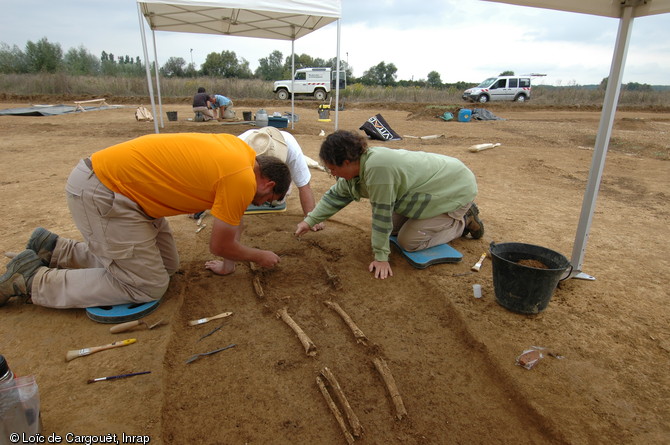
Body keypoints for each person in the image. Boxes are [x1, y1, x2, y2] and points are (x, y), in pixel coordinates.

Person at [0, 133, 290, 309]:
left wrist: (229, 266)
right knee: (146, 286)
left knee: (167, 267)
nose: (262, 204)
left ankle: (52, 248)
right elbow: (219, 244)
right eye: (270, 199)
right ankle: (32, 281)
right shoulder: (240, 179)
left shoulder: (241, 155)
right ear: (268, 183)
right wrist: (259, 256)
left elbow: (232, 222)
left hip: (130, 198)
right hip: (105, 192)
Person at [295, 130, 484, 280]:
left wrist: (381, 258)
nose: (333, 174)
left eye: (333, 169)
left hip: (453, 189)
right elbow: (336, 195)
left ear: (346, 162)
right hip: (426, 192)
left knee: (408, 242)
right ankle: (436, 218)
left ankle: (462, 221)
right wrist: (309, 221)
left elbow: (381, 215)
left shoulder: (378, 169)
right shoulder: (359, 166)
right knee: (393, 231)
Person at [238, 127, 325, 231]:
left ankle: (271, 198)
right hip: (245, 169)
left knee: (276, 200)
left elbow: (304, 185)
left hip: (276, 175)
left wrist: (311, 218)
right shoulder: (239, 146)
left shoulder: (291, 147)